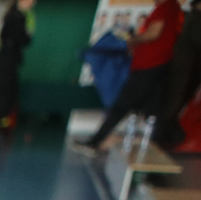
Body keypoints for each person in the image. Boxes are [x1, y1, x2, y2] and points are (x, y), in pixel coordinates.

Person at [76, 0, 184, 151]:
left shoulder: (165, 7)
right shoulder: (173, 7)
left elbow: (153, 33)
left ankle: (95, 142)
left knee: (122, 105)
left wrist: (129, 41)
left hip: (148, 65)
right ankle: (163, 145)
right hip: (159, 64)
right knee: (154, 109)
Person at [158, 0, 201, 145]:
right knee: (175, 100)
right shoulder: (195, 17)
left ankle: (165, 133)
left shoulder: (189, 16)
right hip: (185, 69)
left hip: (187, 68)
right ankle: (161, 135)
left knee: (178, 100)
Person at [0, 0, 36, 131]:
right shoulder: (15, 16)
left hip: (10, 58)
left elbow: (24, 39)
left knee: (10, 90)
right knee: (4, 90)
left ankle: (0, 119)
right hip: (6, 59)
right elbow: (22, 38)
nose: (33, 3)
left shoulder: (18, 16)